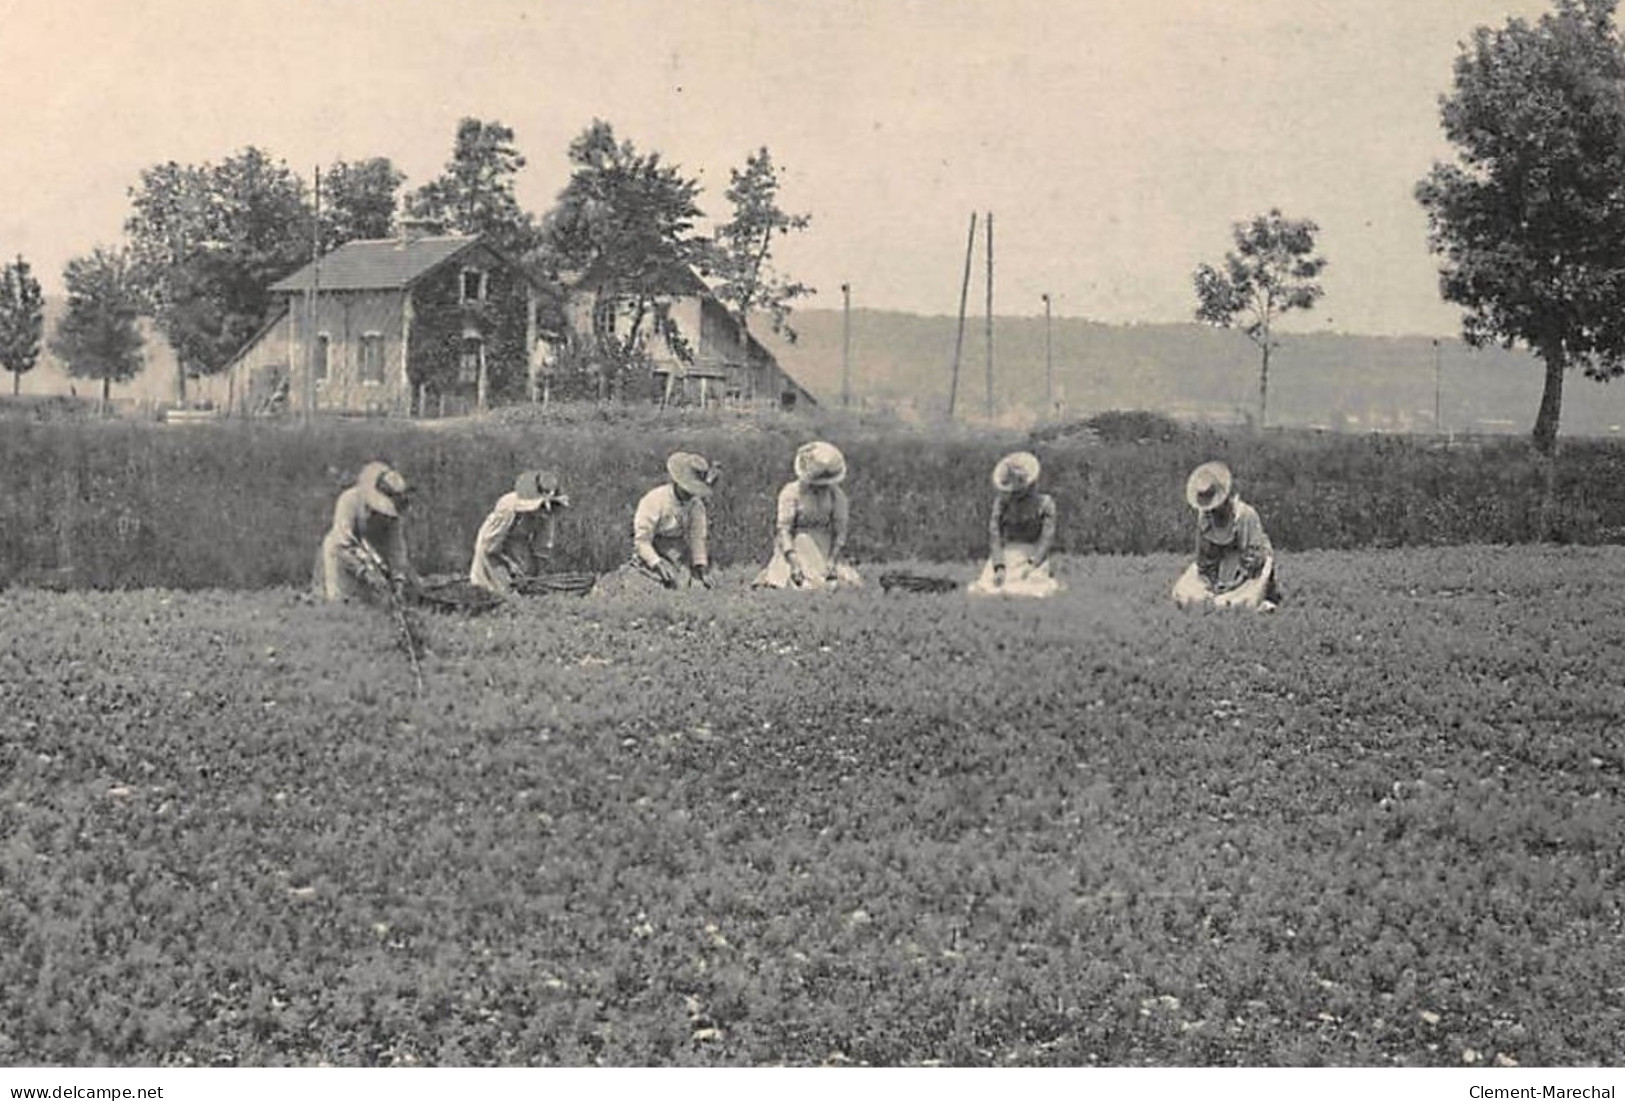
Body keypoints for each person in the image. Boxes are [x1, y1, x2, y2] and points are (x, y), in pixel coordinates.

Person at [599, 452, 720, 592]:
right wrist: (657, 563)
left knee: (698, 583)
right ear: (677, 482)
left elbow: (697, 538)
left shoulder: (696, 506)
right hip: (653, 548)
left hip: (678, 550)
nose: (690, 494)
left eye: (694, 490)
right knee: (651, 584)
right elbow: (642, 541)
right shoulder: (654, 500)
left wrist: (701, 568)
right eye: (687, 489)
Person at [1172, 460, 1281, 611]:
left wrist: (1233, 582)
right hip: (1218, 571)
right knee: (1183, 595)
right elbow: (1203, 560)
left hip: (1246, 572)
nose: (1213, 510)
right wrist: (1211, 582)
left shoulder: (1245, 515)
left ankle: (1243, 601)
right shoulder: (1205, 519)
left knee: (1243, 602)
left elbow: (1254, 560)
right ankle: (1217, 601)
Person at [753, 441, 863, 591]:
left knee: (839, 582)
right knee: (800, 582)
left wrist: (832, 559)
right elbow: (784, 529)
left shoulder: (836, 495)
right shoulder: (791, 492)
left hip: (825, 544)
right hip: (798, 543)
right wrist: (793, 560)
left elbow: (840, 529)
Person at [314, 460, 421, 604]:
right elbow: (342, 542)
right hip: (342, 555)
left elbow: (396, 547)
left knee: (383, 600)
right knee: (342, 602)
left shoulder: (393, 515)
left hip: (373, 555)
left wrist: (398, 579)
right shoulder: (349, 500)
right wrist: (365, 572)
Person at [968, 451, 1061, 598]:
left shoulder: (1045, 504)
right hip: (1008, 554)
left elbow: (1046, 538)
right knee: (991, 584)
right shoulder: (1002, 504)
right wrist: (999, 565)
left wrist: (1033, 563)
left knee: (1029, 585)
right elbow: (995, 535)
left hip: (1032, 553)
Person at [469, 469, 569, 594]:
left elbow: (542, 545)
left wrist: (539, 573)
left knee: (525, 579)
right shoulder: (509, 508)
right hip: (493, 542)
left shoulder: (547, 513)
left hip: (519, 542)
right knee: (494, 588)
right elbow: (490, 547)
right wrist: (509, 564)